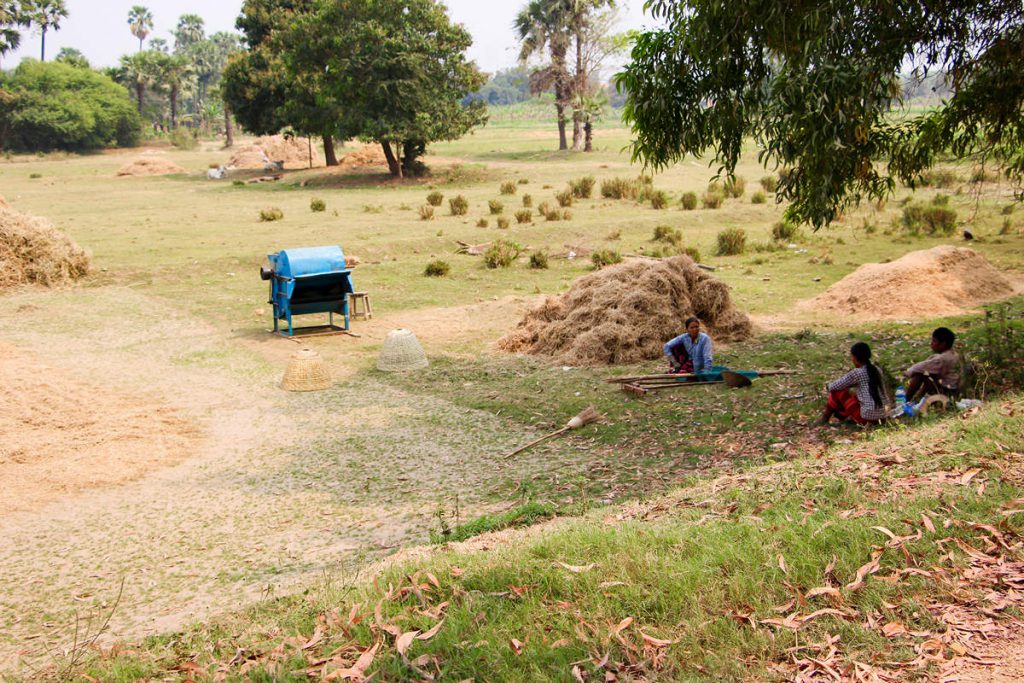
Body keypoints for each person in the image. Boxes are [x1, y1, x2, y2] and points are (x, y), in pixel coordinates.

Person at [819, 342, 888, 425]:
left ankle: (825, 419)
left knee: (837, 392)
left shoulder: (857, 373)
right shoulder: (877, 369)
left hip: (866, 419)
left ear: (855, 357)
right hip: (883, 416)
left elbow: (835, 386)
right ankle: (841, 415)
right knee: (854, 396)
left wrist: (827, 386)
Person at [904, 327, 959, 401]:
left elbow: (921, 367)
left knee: (919, 375)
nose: (931, 343)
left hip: (947, 391)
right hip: (952, 389)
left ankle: (906, 400)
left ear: (943, 344)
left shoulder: (941, 359)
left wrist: (908, 372)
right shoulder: (953, 354)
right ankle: (917, 400)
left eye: (934, 341)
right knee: (929, 375)